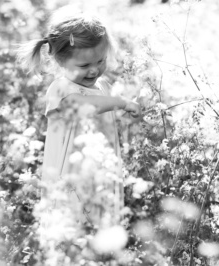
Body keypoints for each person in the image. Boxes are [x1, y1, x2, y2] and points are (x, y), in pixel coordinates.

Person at [17, 6, 142, 226]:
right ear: (59, 60)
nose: (94, 70)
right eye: (84, 65)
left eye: (100, 61)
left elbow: (103, 116)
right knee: (71, 224)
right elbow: (84, 105)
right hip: (70, 174)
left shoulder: (102, 85)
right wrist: (120, 102)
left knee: (102, 219)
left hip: (99, 168)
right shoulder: (61, 89)